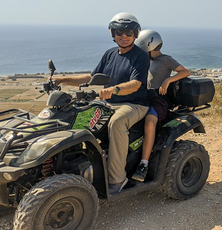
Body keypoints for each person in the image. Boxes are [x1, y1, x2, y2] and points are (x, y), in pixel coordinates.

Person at [54, 13, 150, 194]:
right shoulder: (110, 54)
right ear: (113, 34)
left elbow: (135, 84)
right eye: (119, 32)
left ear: (135, 34)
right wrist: (62, 80)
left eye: (128, 32)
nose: (124, 36)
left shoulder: (140, 56)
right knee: (77, 116)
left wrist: (114, 89)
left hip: (134, 104)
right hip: (109, 103)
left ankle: (117, 179)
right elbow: (91, 77)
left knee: (116, 123)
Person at [131, 29, 190, 182]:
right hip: (144, 96)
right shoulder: (145, 60)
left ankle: (143, 164)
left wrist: (168, 80)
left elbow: (185, 72)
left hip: (159, 99)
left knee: (150, 121)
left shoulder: (166, 60)